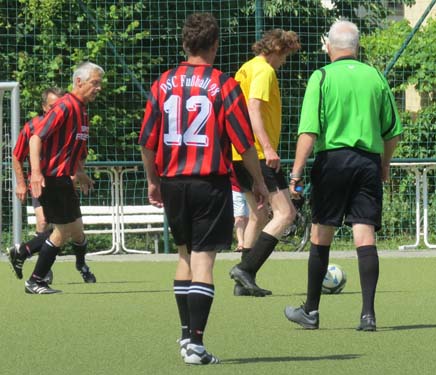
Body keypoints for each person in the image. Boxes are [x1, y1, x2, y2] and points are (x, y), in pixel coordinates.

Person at [139, 13, 268, 365]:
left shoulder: (162, 83)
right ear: (215, 45)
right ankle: (196, 344)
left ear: (184, 44)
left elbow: (147, 142)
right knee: (204, 261)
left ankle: (185, 336)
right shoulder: (224, 85)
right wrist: (258, 183)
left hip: (173, 182)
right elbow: (244, 142)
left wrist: (153, 180)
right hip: (209, 182)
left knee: (184, 256)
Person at [284, 20, 402, 331]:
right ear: (357, 46)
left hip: (332, 161)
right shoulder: (375, 76)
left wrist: (295, 174)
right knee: (365, 235)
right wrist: (384, 164)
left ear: (328, 46)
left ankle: (311, 311)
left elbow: (309, 132)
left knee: (321, 234)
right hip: (367, 163)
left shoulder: (321, 77)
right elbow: (393, 131)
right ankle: (368, 315)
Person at [229, 28, 301, 297]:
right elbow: (253, 107)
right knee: (286, 214)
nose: (284, 62)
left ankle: (243, 284)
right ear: (277, 50)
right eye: (285, 56)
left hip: (239, 154)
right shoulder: (264, 70)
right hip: (258, 154)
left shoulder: (245, 68)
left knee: (258, 215)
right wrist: (268, 148)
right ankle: (246, 269)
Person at [25, 61, 104, 294]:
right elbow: (35, 138)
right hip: (52, 177)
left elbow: (73, 150)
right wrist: (36, 174)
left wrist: (80, 173)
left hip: (63, 179)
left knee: (71, 230)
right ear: (78, 82)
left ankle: (34, 272)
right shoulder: (64, 107)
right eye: (95, 83)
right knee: (63, 231)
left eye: (100, 84)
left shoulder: (81, 111)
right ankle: (35, 279)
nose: (98, 88)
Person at [9, 87, 96, 284]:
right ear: (43, 107)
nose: (55, 110)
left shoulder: (72, 121)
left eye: (58, 105)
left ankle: (78, 263)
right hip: (39, 183)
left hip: (62, 182)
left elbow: (80, 154)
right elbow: (17, 155)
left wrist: (79, 173)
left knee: (75, 230)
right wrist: (22, 183)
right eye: (51, 106)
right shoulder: (33, 128)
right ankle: (40, 274)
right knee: (46, 224)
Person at [230, 171, 248, 252]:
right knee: (239, 217)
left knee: (249, 218)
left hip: (251, 190)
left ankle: (248, 243)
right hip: (235, 190)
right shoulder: (231, 159)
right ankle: (240, 243)